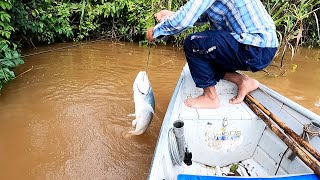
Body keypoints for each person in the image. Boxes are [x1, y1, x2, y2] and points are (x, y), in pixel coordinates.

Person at [146, 0, 278, 109]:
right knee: (206, 58)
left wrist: (156, 31)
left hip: (254, 47)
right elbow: (198, 17)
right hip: (261, 49)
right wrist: (171, 15)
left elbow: (184, 21)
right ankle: (243, 81)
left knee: (193, 44)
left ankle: (210, 97)